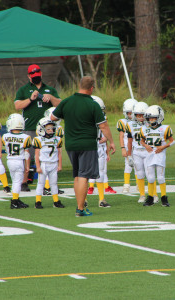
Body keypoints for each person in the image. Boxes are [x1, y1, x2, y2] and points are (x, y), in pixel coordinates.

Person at [51, 76, 116, 217]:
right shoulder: (93, 104)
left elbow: (53, 118)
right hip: (87, 144)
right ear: (91, 88)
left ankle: (80, 205)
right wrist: (111, 141)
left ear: (79, 85)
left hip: (71, 144)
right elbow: (103, 125)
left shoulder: (67, 101)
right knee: (84, 176)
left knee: (77, 176)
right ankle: (80, 209)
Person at [14, 64, 61, 192]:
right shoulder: (23, 90)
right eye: (33, 76)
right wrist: (30, 99)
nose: (36, 78)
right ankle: (24, 182)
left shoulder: (49, 89)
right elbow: (17, 106)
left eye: (38, 75)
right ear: (29, 76)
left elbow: (61, 104)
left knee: (48, 156)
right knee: (27, 155)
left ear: (41, 74)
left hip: (47, 129)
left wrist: (51, 98)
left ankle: (50, 184)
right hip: (29, 127)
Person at [140, 105, 175, 207]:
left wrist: (163, 147)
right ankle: (150, 198)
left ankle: (164, 198)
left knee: (160, 178)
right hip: (149, 154)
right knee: (150, 178)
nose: (151, 120)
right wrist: (146, 145)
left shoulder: (165, 128)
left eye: (153, 118)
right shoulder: (144, 129)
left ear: (159, 117)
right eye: (149, 118)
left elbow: (172, 141)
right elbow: (141, 141)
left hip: (160, 154)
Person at [33, 117, 64, 209]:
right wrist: (38, 167)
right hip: (44, 164)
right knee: (41, 183)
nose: (51, 130)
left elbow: (59, 153)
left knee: (54, 184)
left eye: (52, 128)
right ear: (42, 129)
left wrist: (60, 165)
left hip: (54, 164)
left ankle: (56, 201)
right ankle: (38, 202)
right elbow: (36, 155)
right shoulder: (38, 139)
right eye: (48, 129)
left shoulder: (57, 139)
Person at [2, 113, 32, 209]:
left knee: (14, 181)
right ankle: (14, 201)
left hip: (10, 160)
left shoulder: (5, 136)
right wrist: (27, 166)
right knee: (17, 182)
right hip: (19, 161)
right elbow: (27, 153)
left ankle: (16, 199)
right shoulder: (26, 137)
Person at [87, 96, 112, 207]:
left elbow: (104, 131)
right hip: (87, 146)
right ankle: (84, 200)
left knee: (100, 172)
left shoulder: (102, 118)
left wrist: (106, 138)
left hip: (99, 146)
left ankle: (101, 199)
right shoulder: (83, 118)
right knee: (85, 173)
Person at [126, 101, 149, 203]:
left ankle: (153, 194)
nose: (140, 117)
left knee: (150, 174)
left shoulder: (150, 124)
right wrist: (129, 155)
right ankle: (142, 194)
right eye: (138, 115)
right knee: (139, 174)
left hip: (148, 151)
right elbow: (130, 141)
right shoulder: (130, 125)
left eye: (142, 115)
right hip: (137, 152)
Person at [116, 98, 138, 194]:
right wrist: (122, 148)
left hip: (137, 147)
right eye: (129, 113)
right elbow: (121, 136)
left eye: (132, 113)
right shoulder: (122, 122)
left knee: (138, 166)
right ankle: (126, 185)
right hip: (127, 146)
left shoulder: (139, 122)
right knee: (128, 165)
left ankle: (139, 185)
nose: (131, 115)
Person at [43, 107, 64, 196]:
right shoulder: (58, 128)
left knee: (50, 171)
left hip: (46, 151)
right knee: (51, 171)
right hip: (52, 151)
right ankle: (47, 187)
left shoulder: (43, 126)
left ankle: (50, 187)